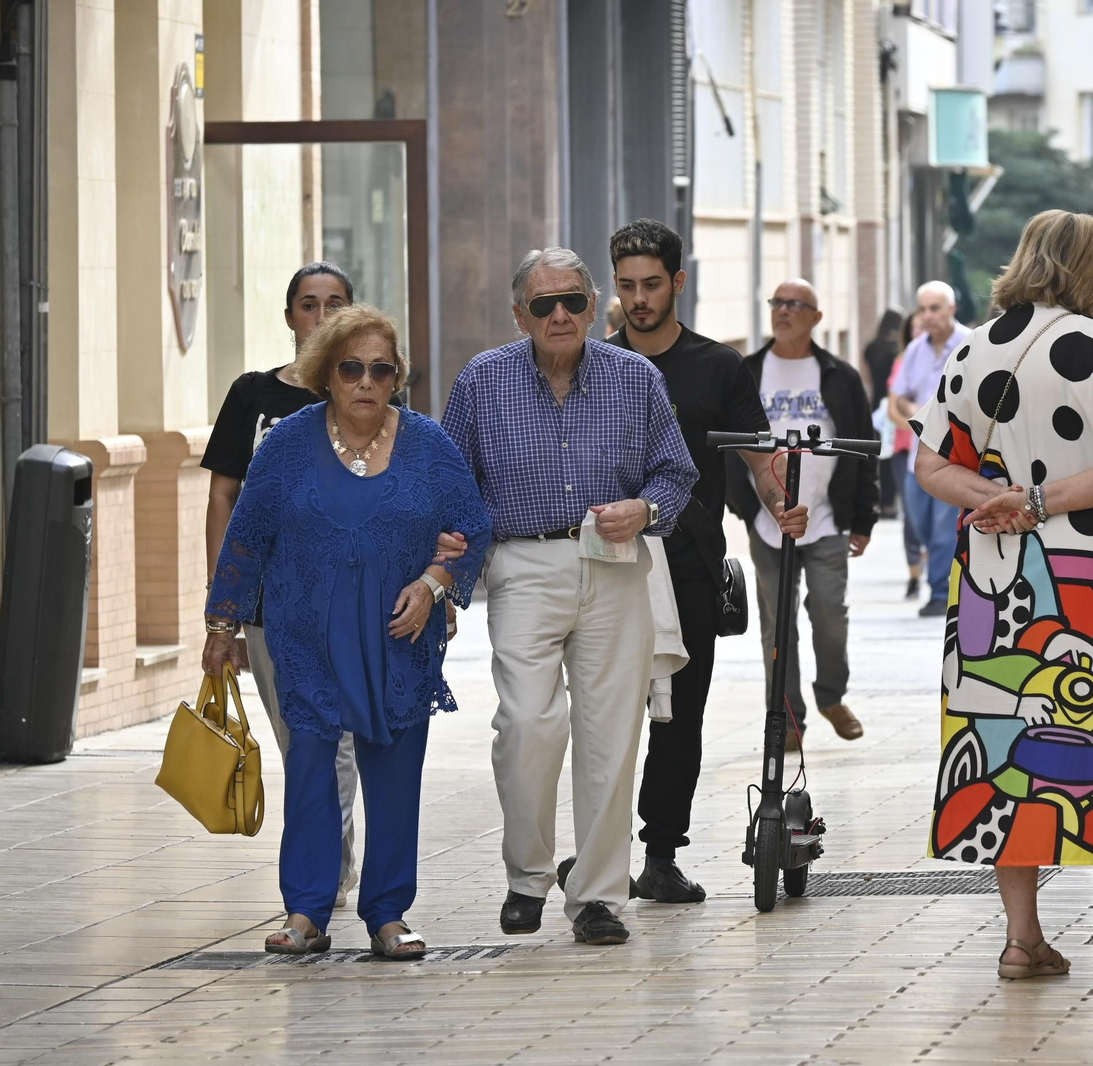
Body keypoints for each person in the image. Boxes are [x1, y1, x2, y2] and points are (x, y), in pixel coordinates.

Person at [914, 209, 1093, 980]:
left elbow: (930, 467)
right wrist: (1041, 503)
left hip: (992, 577)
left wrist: (1000, 498)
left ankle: (1022, 939)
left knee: (1006, 748)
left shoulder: (973, 347)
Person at [202, 305, 492, 960]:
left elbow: (472, 526)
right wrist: (223, 622)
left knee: (394, 770)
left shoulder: (426, 444)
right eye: (352, 368)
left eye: (380, 370)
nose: (366, 381)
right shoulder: (286, 444)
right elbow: (247, 535)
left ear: (397, 378)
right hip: (304, 632)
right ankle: (305, 912)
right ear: (327, 374)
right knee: (310, 767)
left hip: (400, 632)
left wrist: (434, 585)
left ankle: (388, 915)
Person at [440, 247, 698, 946]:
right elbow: (449, 486)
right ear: (519, 313)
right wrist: (447, 585)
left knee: (612, 736)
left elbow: (677, 472)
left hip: (616, 566)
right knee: (527, 721)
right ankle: (527, 875)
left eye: (574, 302)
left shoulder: (635, 376)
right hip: (522, 563)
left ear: (593, 305)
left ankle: (597, 896)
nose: (561, 315)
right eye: (545, 303)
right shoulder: (482, 381)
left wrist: (645, 511)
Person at [603, 218, 805, 904]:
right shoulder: (597, 364)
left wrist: (783, 506)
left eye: (651, 284)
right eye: (627, 285)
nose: (638, 298)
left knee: (680, 714)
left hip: (689, 562)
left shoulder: (718, 366)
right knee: (607, 713)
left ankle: (661, 854)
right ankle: (602, 854)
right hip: (607, 563)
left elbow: (757, 459)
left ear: (677, 283)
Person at [202, 262, 362, 909]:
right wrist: (224, 611)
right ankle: (328, 859)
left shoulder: (371, 393)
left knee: (343, 740)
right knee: (301, 743)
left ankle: (316, 877)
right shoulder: (252, 396)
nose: (320, 317)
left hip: (351, 600)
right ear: (289, 315)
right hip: (271, 605)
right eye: (308, 304)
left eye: (334, 304)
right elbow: (223, 498)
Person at [729, 279, 879, 752]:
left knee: (831, 612)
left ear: (816, 317)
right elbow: (731, 445)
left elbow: (863, 448)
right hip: (768, 522)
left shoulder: (838, 375)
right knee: (778, 624)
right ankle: (788, 717)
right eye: (777, 302)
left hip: (828, 518)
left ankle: (831, 696)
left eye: (795, 304)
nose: (783, 311)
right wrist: (747, 506)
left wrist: (864, 519)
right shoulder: (748, 371)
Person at [892, 281, 972, 617]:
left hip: (954, 458)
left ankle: (941, 593)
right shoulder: (915, 350)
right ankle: (941, 582)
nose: (927, 316)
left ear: (951, 308)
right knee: (920, 524)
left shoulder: (971, 344)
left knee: (942, 529)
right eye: (922, 309)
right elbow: (896, 400)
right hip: (917, 456)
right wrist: (914, 417)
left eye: (934, 308)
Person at [889, 312, 927, 598]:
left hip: (935, 449)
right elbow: (893, 408)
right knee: (911, 517)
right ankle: (914, 572)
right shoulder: (903, 362)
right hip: (905, 449)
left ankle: (932, 563)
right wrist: (918, 428)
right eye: (915, 326)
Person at [863, 309, 907, 518]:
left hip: (875, 407)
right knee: (891, 457)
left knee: (877, 456)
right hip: (892, 407)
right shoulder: (897, 351)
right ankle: (889, 504)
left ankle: (877, 501)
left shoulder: (871, 349)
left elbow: (868, 379)